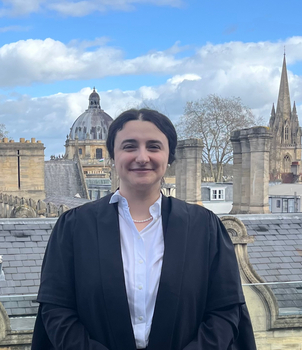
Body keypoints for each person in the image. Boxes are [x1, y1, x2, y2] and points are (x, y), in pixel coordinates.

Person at [32, 108, 257, 350]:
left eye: (154, 146)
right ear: (112, 155)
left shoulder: (205, 228)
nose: (142, 157)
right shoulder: (74, 227)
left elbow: (225, 310)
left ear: (169, 156)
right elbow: (57, 310)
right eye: (129, 146)